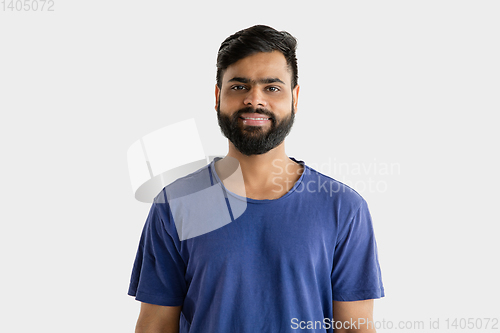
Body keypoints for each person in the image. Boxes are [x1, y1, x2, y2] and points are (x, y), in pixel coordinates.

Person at [128, 25, 384, 333]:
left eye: (272, 88)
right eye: (239, 86)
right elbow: (155, 325)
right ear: (217, 96)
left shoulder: (343, 207)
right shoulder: (176, 204)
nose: (254, 100)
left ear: (295, 97)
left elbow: (354, 328)